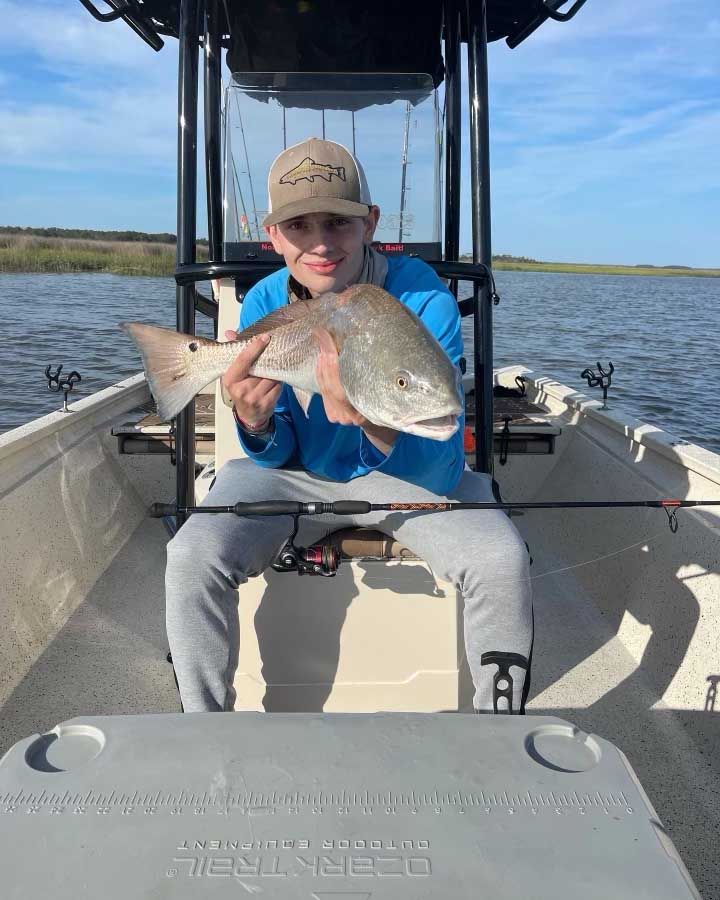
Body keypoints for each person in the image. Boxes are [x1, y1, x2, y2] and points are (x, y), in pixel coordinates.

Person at [166, 138, 532, 713]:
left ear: (370, 223)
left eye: (338, 221)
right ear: (272, 235)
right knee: (192, 553)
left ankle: (501, 728)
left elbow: (440, 466)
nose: (319, 243)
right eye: (298, 226)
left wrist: (374, 427)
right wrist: (254, 420)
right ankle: (201, 725)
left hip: (409, 478)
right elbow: (272, 456)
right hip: (295, 478)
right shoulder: (266, 298)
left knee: (499, 557)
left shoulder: (423, 299)